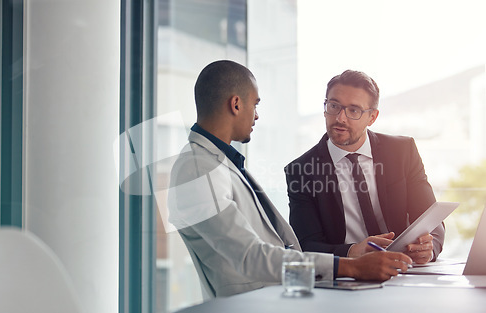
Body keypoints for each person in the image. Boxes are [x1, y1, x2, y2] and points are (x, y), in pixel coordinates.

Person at [167, 61, 411, 298]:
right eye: (255, 104)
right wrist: (351, 266)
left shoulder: (219, 163)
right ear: (236, 104)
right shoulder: (197, 169)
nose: (257, 116)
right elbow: (250, 256)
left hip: (274, 299)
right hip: (248, 312)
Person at [285, 70, 445, 265]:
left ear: (372, 117)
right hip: (348, 275)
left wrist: (430, 248)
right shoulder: (302, 170)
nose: (340, 118)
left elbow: (431, 219)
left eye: (353, 110)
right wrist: (352, 252)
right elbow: (307, 245)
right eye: (334, 106)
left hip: (403, 269)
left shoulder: (402, 151)